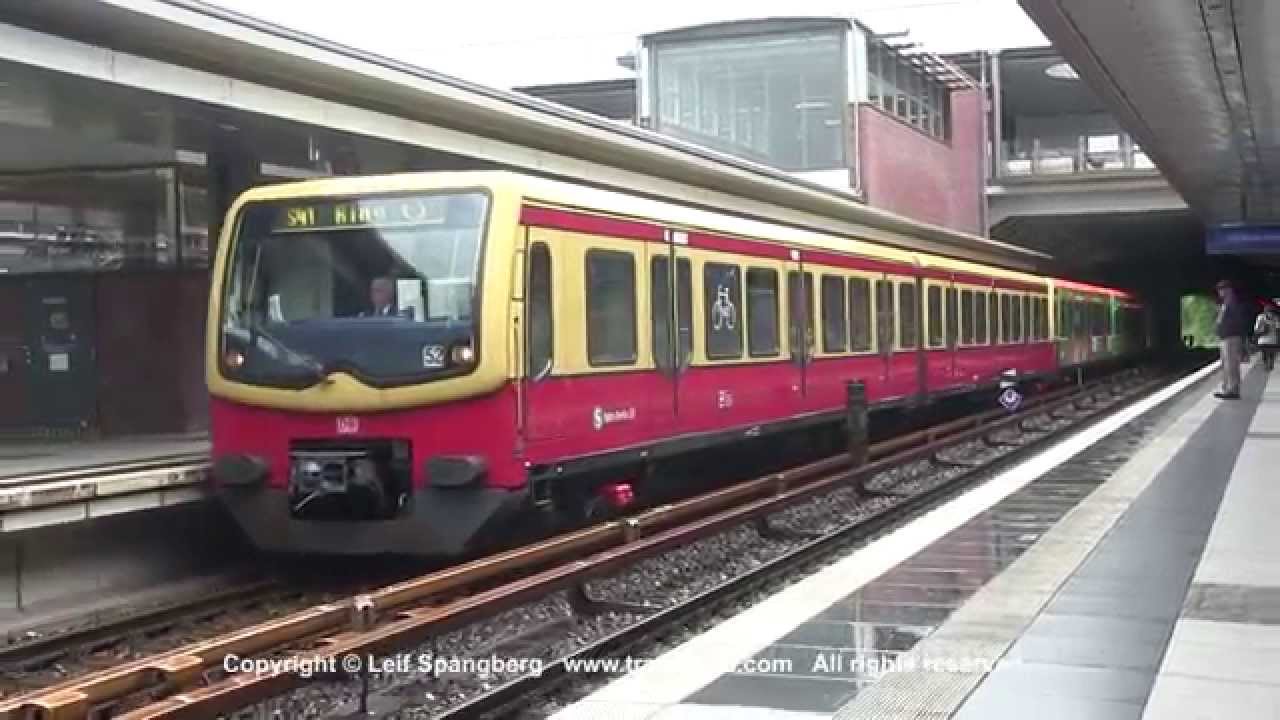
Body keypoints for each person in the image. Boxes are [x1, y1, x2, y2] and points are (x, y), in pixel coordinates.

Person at [1214, 280, 1249, 399]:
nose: (1219, 292)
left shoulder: (1232, 303)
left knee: (1231, 364)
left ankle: (1233, 390)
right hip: (1226, 337)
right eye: (1219, 290)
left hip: (1231, 337)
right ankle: (1228, 388)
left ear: (1228, 290)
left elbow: (1237, 321)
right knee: (1226, 364)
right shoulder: (1226, 303)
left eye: (1221, 289)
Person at [1254, 300, 1280, 372]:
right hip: (1269, 341)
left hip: (1265, 341)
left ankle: (1267, 364)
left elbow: (1256, 329)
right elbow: (1278, 329)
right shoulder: (1275, 318)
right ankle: (1269, 364)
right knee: (1270, 353)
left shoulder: (1261, 317)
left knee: (1266, 354)